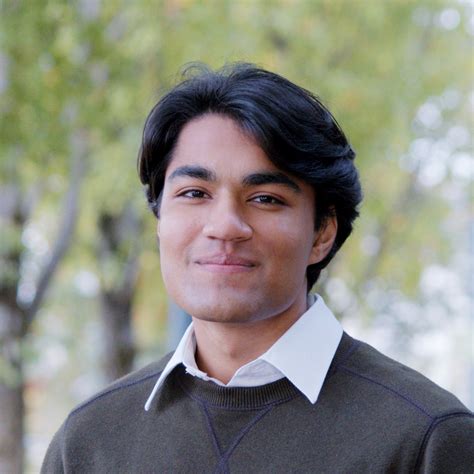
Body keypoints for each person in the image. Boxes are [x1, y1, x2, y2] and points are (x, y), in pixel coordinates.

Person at [42, 64, 473, 473]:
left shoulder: (427, 440)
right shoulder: (89, 441)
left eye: (266, 198)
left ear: (322, 232)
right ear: (159, 219)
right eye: (194, 193)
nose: (224, 226)